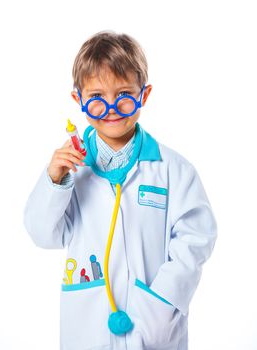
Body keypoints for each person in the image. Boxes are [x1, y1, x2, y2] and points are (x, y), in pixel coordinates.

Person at [23, 31, 217, 350]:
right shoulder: (72, 169)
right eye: (97, 96)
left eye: (124, 94)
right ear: (79, 100)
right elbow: (43, 234)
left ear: (144, 94)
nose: (110, 108)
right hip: (88, 329)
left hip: (156, 327)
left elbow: (197, 237)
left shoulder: (174, 170)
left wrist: (161, 301)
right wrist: (54, 180)